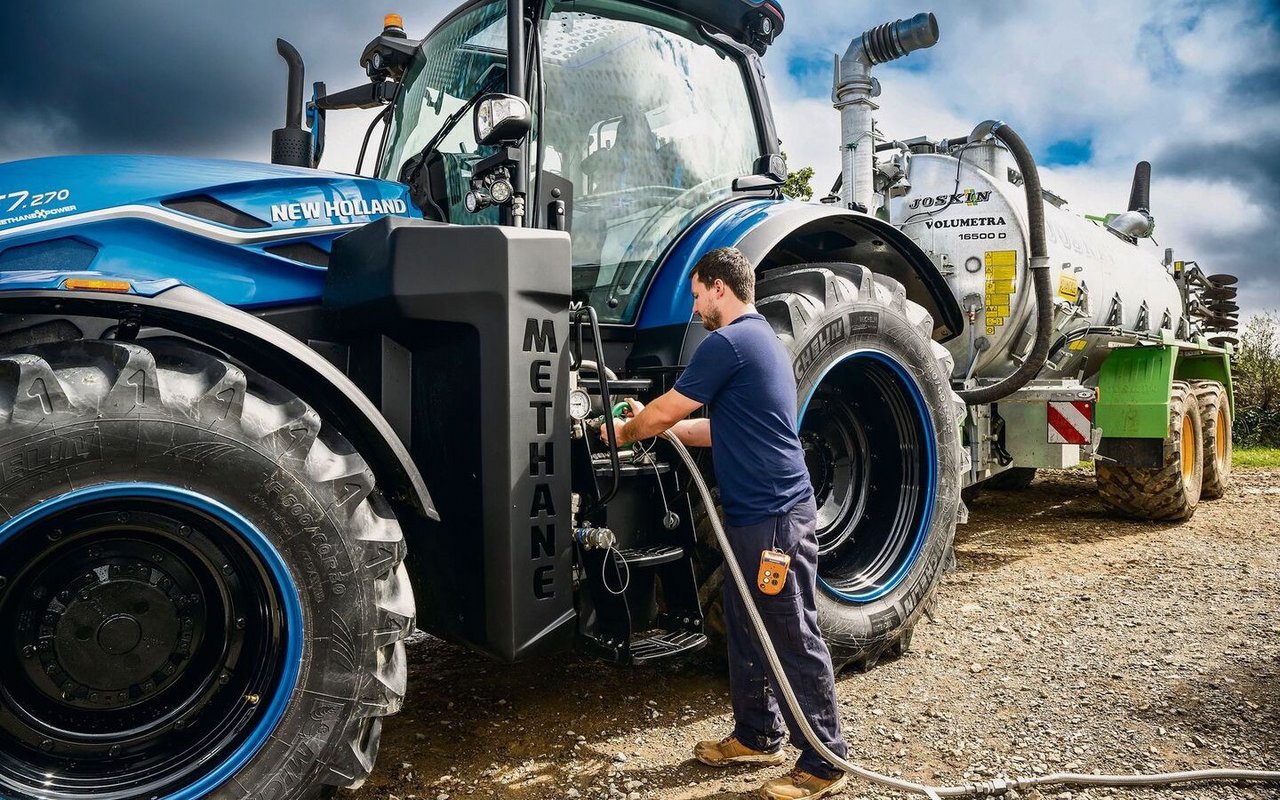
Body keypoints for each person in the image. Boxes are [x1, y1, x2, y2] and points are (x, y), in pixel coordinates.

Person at [600, 247, 849, 800]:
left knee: (789, 631)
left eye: (696, 295)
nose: (695, 308)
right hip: (757, 518)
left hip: (773, 521)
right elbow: (715, 430)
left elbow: (667, 411)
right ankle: (758, 735)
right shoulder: (762, 342)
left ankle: (824, 761)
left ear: (719, 287)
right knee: (746, 623)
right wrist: (653, 427)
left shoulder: (729, 343)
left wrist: (623, 431)